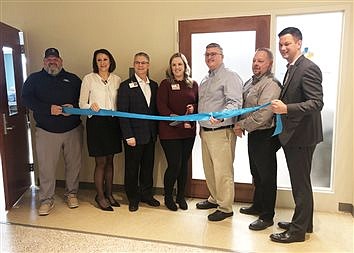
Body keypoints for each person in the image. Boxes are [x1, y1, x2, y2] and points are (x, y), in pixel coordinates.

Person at [270, 27, 324, 243]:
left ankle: (297, 231)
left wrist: (286, 109)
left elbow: (317, 103)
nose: (283, 48)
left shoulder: (308, 68)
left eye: (287, 44)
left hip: (302, 136)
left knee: (300, 184)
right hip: (295, 134)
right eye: (281, 44)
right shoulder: (293, 67)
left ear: (299, 43)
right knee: (301, 182)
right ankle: (304, 222)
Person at [22, 48, 83, 216]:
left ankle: (72, 194)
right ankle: (46, 200)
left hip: (73, 129)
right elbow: (26, 99)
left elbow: (84, 100)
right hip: (46, 131)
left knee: (74, 165)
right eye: (49, 59)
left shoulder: (73, 79)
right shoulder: (34, 79)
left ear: (61, 61)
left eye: (55, 59)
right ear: (44, 62)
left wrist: (74, 109)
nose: (52, 62)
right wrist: (48, 109)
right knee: (46, 168)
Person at [234, 48, 281, 230]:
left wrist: (241, 125)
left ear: (269, 64)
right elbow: (243, 106)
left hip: (266, 135)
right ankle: (258, 205)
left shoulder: (271, 84)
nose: (256, 64)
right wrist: (240, 123)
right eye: (254, 60)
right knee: (256, 172)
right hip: (254, 133)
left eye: (261, 61)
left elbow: (264, 113)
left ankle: (267, 216)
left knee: (267, 176)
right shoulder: (250, 82)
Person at [196, 43, 243, 221]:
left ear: (222, 56)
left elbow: (234, 103)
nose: (210, 57)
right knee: (209, 169)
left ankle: (225, 207)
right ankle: (215, 198)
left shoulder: (229, 77)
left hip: (222, 131)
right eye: (207, 54)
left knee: (223, 171)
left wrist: (222, 116)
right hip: (206, 131)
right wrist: (201, 127)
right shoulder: (205, 80)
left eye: (213, 54)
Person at [79, 49, 122, 212]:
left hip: (112, 123)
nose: (102, 63)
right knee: (101, 162)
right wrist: (91, 106)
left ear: (110, 61)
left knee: (111, 161)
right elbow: (81, 103)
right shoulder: (89, 79)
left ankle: (110, 194)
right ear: (95, 62)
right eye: (99, 60)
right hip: (96, 123)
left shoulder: (117, 79)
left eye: (105, 59)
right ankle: (100, 196)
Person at [118, 52, 160, 212]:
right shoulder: (125, 85)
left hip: (150, 135)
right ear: (134, 65)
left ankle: (146, 194)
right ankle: (133, 198)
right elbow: (123, 113)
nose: (141, 65)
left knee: (148, 167)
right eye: (137, 63)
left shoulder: (154, 86)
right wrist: (128, 135)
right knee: (132, 168)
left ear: (148, 65)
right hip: (133, 137)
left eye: (144, 63)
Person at [157, 53, 198, 211]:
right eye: (174, 65)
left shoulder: (193, 84)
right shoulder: (165, 84)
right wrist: (181, 123)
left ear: (185, 66)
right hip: (170, 131)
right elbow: (162, 108)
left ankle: (181, 196)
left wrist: (193, 107)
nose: (177, 68)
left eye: (180, 64)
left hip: (188, 132)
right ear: (170, 67)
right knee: (174, 165)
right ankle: (168, 197)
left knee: (183, 166)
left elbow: (197, 103)